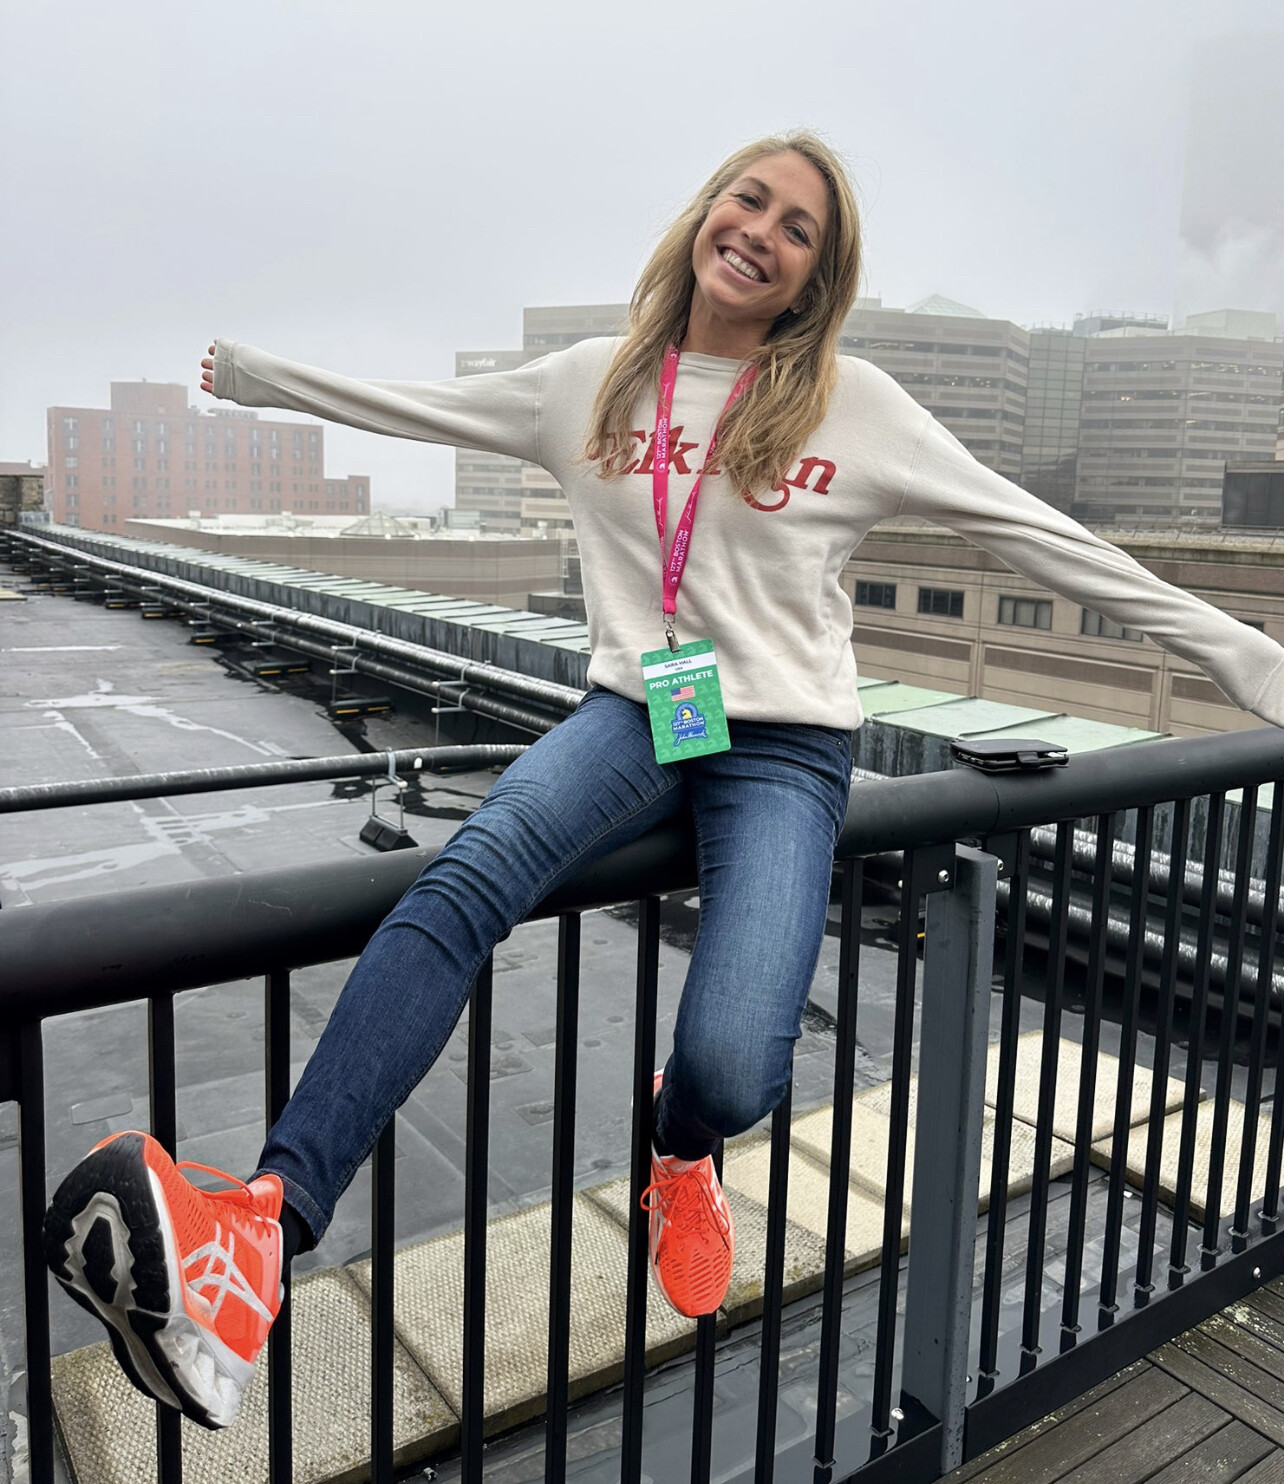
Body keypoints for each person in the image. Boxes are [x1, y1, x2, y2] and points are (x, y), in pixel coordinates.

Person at [43, 130, 1284, 1432]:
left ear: (815, 279)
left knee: (735, 1067)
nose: (762, 232)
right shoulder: (593, 384)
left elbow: (1041, 538)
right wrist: (253, 377)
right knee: (468, 875)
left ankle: (681, 1143)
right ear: (706, 212)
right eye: (750, 200)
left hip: (786, 745)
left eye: (799, 229)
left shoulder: (854, 407)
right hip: (640, 712)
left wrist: (1255, 667)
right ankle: (261, 1233)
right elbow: (412, 406)